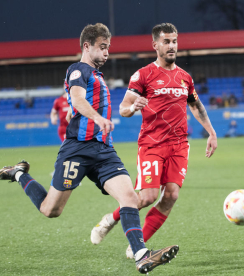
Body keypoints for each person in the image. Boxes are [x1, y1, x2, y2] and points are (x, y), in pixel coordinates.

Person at [0, 23, 178, 275]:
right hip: (77, 151)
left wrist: (131, 107)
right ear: (87, 46)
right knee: (51, 210)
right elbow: (79, 99)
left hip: (104, 151)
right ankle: (18, 173)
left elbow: (83, 102)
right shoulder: (77, 70)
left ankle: (141, 255)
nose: (106, 53)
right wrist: (98, 118)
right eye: (102, 48)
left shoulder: (97, 75)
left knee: (130, 198)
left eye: (108, 48)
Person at [90, 23, 217, 259]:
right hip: (152, 145)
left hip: (179, 145)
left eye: (174, 41)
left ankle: (136, 244)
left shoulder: (184, 78)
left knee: (171, 196)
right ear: (155, 45)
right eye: (166, 42)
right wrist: (133, 107)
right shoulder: (143, 75)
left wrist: (211, 132)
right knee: (147, 197)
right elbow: (123, 107)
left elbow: (195, 105)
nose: (172, 46)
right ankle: (109, 220)